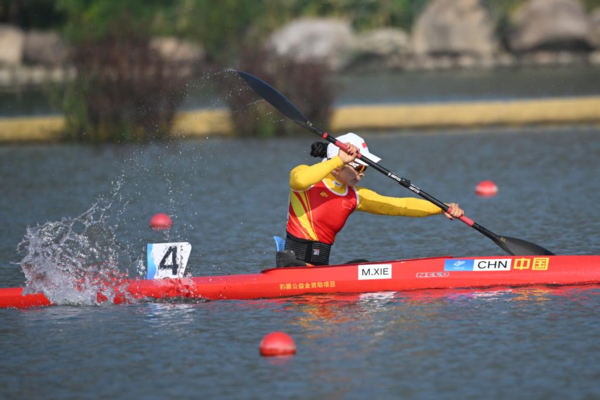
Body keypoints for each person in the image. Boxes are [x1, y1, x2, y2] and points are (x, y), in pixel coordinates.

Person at [276, 132, 464, 267]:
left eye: (365, 169)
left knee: (364, 267)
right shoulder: (305, 177)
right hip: (293, 268)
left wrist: (441, 207)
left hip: (319, 273)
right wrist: (338, 159)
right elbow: (299, 181)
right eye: (359, 168)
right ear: (337, 165)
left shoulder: (355, 196)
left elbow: (399, 205)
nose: (362, 174)